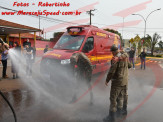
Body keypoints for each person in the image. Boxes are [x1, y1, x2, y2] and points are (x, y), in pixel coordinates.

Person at [103, 45, 130, 122]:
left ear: (113, 51)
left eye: (111, 52)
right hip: (125, 80)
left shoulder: (115, 59)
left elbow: (112, 71)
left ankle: (111, 117)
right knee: (122, 96)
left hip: (117, 81)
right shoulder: (124, 57)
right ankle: (122, 111)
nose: (111, 53)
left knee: (113, 98)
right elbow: (130, 66)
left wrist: (107, 80)